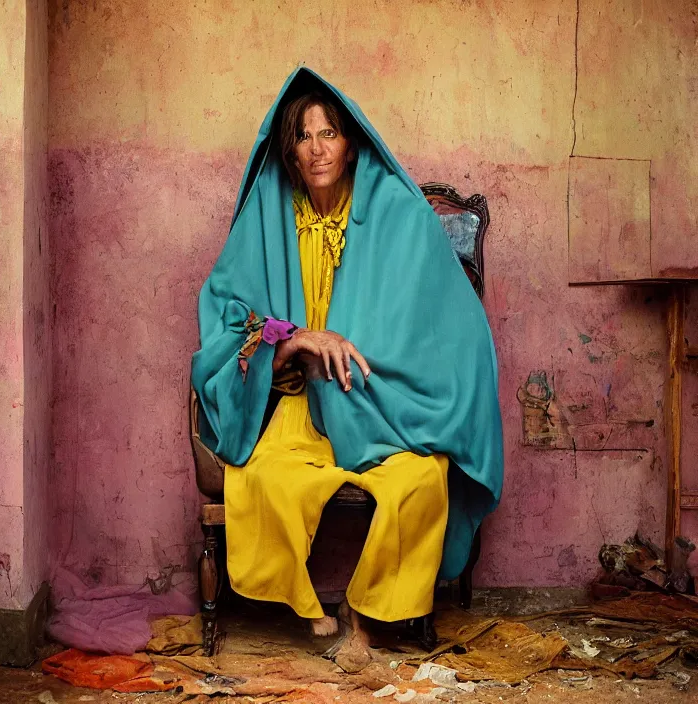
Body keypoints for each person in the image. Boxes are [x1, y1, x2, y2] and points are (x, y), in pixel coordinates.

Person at [191, 67, 503, 660]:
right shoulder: (268, 212)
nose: (316, 148)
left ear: (352, 141)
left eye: (329, 133)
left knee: (422, 481)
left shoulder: (397, 213)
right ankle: (305, 603)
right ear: (288, 147)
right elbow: (227, 315)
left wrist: (365, 355)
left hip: (381, 409)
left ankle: (364, 610)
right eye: (304, 136)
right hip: (300, 408)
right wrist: (298, 339)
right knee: (263, 481)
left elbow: (440, 321)